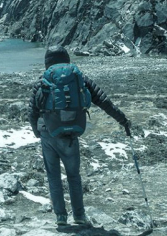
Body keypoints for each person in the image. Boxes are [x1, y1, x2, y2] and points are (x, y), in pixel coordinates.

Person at [28, 45, 131, 226]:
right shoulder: (79, 79)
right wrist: (123, 120)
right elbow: (104, 101)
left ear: (47, 62)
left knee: (53, 176)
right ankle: (79, 216)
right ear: (67, 58)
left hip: (48, 135)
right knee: (73, 176)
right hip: (70, 135)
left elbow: (32, 111)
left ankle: (61, 217)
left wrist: (37, 132)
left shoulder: (42, 82)